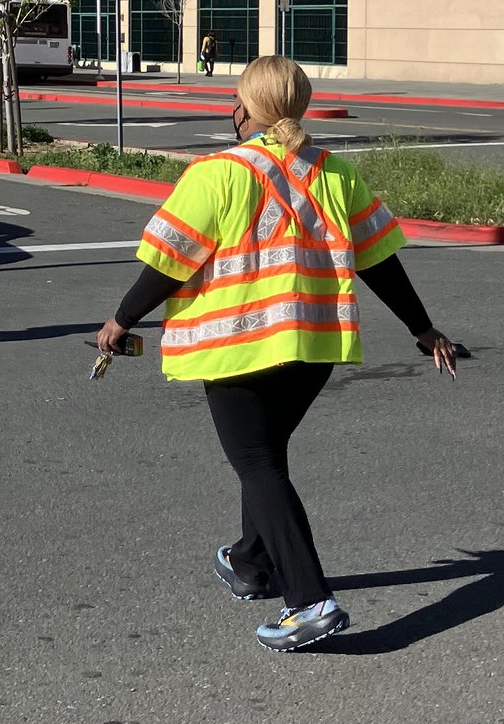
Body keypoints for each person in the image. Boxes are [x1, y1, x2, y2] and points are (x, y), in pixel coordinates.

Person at [96, 55, 458, 652]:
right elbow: (378, 260)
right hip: (314, 346)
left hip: (238, 345)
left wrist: (120, 320)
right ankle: (249, 562)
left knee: (257, 462)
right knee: (264, 455)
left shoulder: (216, 173)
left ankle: (309, 601)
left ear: (245, 109)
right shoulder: (335, 174)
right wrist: (421, 327)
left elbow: (169, 260)